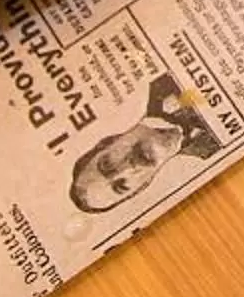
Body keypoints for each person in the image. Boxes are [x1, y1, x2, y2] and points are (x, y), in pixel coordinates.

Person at [69, 74, 224, 215]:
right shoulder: (212, 153)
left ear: (108, 142)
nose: (127, 167)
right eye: (121, 186)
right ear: (143, 186)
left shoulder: (158, 84)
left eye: (107, 164)